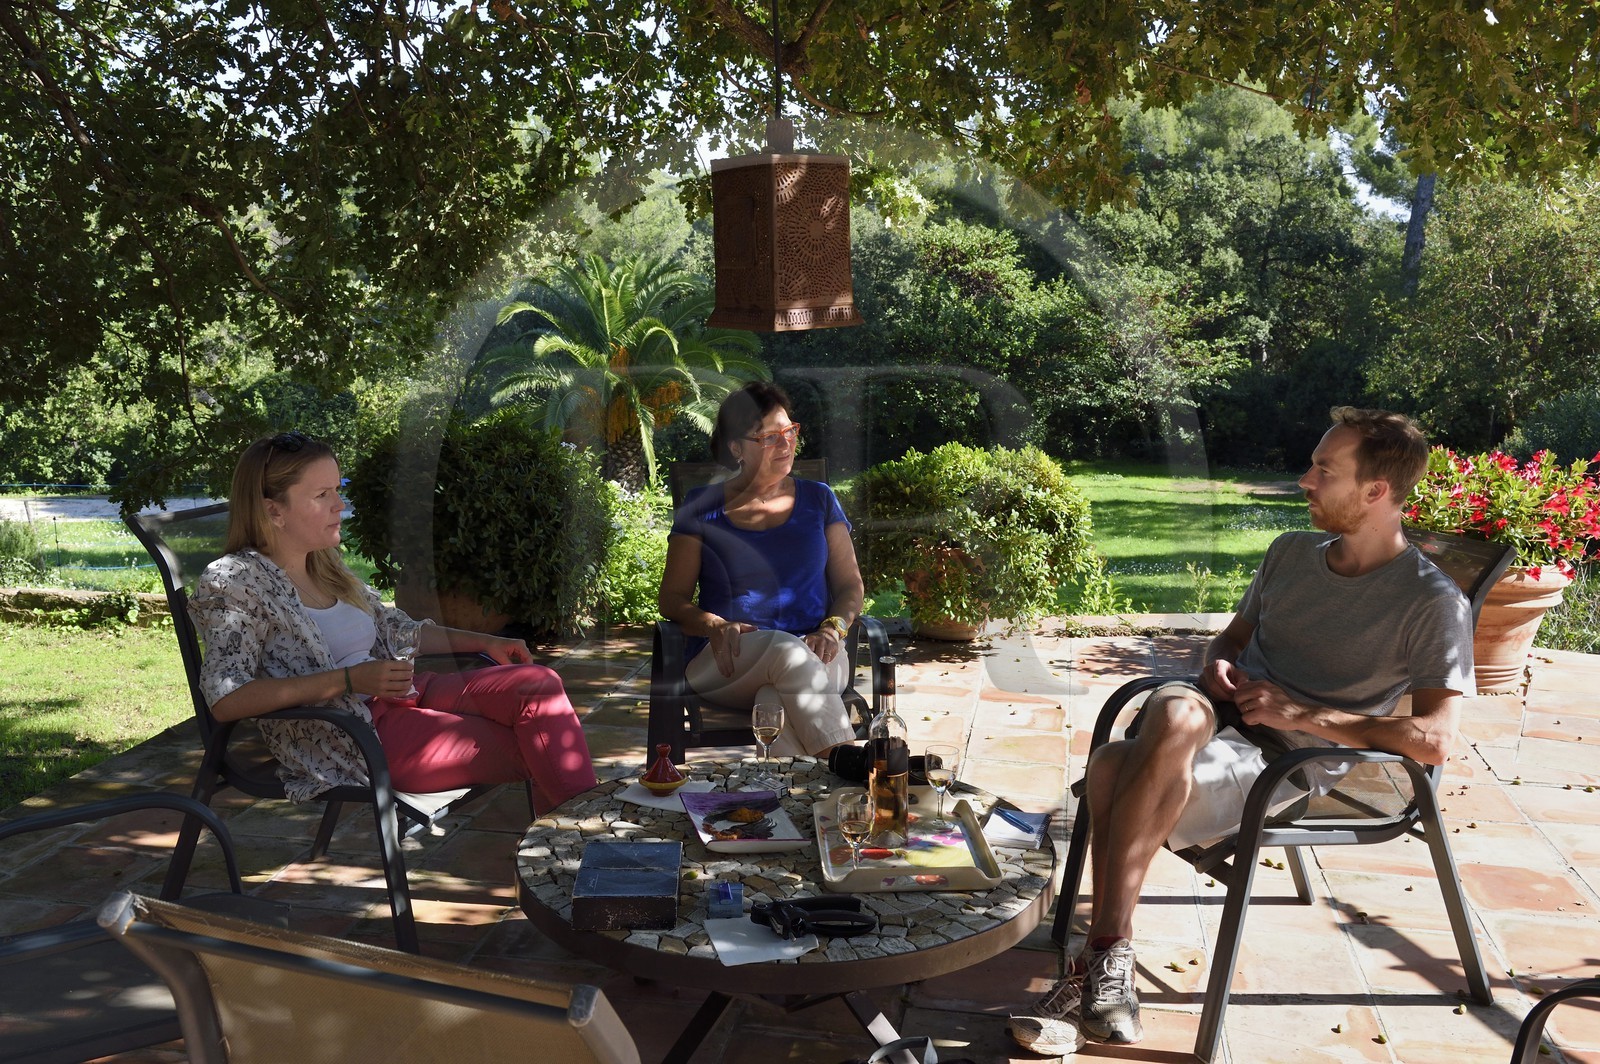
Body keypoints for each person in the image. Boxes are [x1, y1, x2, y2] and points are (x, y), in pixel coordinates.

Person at [1008, 407, 1474, 1054]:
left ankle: (1099, 960)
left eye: (1324, 470)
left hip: (1287, 758)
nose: (1305, 480)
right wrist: (1220, 665)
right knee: (1172, 711)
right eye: (1313, 464)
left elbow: (1433, 739)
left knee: (1115, 767)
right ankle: (1107, 968)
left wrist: (1300, 715)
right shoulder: (1290, 552)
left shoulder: (1430, 602)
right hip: (1210, 716)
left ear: (1376, 492)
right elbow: (1230, 639)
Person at [191, 431, 596, 814]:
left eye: (337, 489)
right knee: (542, 745)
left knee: (538, 684)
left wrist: (483, 640)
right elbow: (227, 698)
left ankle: (575, 844)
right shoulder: (235, 583)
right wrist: (349, 681)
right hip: (354, 736)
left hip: (404, 693)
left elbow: (394, 628)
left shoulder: (324, 564)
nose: (340, 505)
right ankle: (586, 846)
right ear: (272, 510)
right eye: (322, 494)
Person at [657, 382, 865, 758]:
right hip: (727, 658)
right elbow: (671, 599)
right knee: (783, 648)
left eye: (789, 431)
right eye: (769, 437)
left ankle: (794, 805)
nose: (785, 444)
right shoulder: (701, 506)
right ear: (737, 448)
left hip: (820, 652)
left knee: (773, 705)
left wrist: (834, 628)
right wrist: (712, 625)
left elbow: (850, 585)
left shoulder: (819, 499)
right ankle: (849, 768)